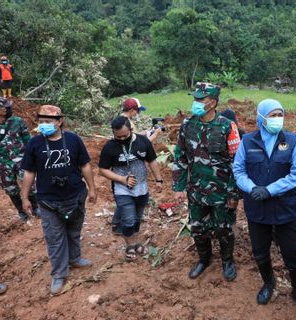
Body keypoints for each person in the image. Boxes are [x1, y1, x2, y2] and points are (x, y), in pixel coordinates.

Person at [233, 99, 296, 314]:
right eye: (272, 115)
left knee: (294, 254)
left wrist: (269, 190)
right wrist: (251, 188)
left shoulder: (292, 140)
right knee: (260, 251)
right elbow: (239, 170)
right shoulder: (248, 141)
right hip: (256, 209)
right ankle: (269, 284)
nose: (277, 119)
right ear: (261, 118)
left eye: (280, 114)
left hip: (285, 209)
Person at [20, 105, 97, 295]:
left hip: (75, 195)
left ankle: (74, 258)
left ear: (60, 121)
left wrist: (92, 188)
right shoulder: (35, 143)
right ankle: (59, 274)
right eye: (41, 122)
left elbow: (85, 165)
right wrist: (24, 197)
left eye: (48, 121)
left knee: (74, 230)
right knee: (54, 238)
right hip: (48, 200)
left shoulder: (73, 139)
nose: (43, 125)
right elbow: (29, 171)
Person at [172, 82, 241, 281]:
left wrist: (234, 194)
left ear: (212, 103)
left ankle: (227, 260)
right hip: (196, 190)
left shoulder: (227, 126)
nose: (196, 103)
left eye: (200, 99)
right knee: (198, 228)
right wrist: (178, 186)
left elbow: (238, 163)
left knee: (224, 228)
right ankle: (204, 259)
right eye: (195, 99)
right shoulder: (187, 125)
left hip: (222, 190)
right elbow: (181, 157)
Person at [98, 116, 164, 261]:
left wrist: (158, 179)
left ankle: (137, 242)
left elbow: (152, 161)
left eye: (125, 135)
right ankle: (129, 245)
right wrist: (122, 179)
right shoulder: (110, 147)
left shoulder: (143, 141)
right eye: (118, 137)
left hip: (142, 188)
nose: (122, 139)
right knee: (128, 220)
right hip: (122, 190)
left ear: (131, 129)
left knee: (137, 218)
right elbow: (102, 170)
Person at [0, 97, 37, 222]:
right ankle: (22, 212)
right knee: (11, 189)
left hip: (22, 159)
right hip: (3, 163)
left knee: (31, 184)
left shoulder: (17, 121)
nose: (7, 109)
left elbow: (28, 140)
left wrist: (33, 158)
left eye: (7, 106)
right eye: (3, 107)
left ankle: (36, 207)